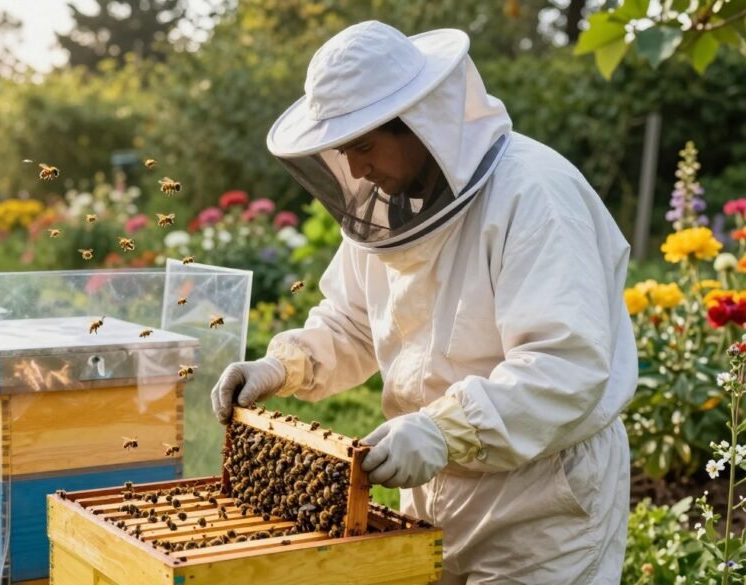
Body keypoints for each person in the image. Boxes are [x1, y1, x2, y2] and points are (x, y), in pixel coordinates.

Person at [210, 20, 635, 584]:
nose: (356, 168)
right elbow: (352, 322)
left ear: (421, 123)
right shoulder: (389, 209)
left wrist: (441, 431)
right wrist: (282, 366)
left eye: (364, 145)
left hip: (541, 502)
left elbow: (565, 367)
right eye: (344, 150)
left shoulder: (534, 195)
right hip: (434, 490)